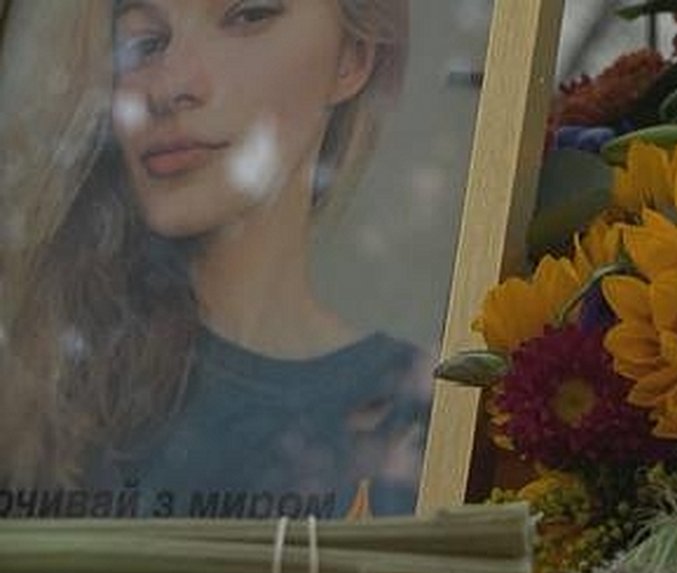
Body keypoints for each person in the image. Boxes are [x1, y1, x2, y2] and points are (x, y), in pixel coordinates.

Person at [0, 0, 426, 518]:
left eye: (247, 16)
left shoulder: (427, 411)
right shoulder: (38, 367)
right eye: (145, 42)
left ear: (352, 59)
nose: (168, 87)